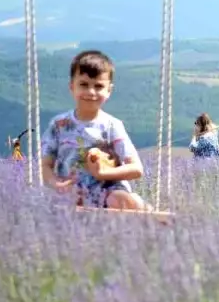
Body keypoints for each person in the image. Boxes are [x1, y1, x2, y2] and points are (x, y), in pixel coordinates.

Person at [40, 49, 148, 211]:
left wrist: (102, 174)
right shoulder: (59, 125)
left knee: (124, 202)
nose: (91, 92)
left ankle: (146, 212)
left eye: (98, 86)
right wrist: (56, 183)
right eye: (83, 85)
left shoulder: (112, 126)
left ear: (109, 90)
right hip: (73, 192)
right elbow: (45, 165)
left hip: (109, 191)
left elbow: (136, 169)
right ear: (72, 87)